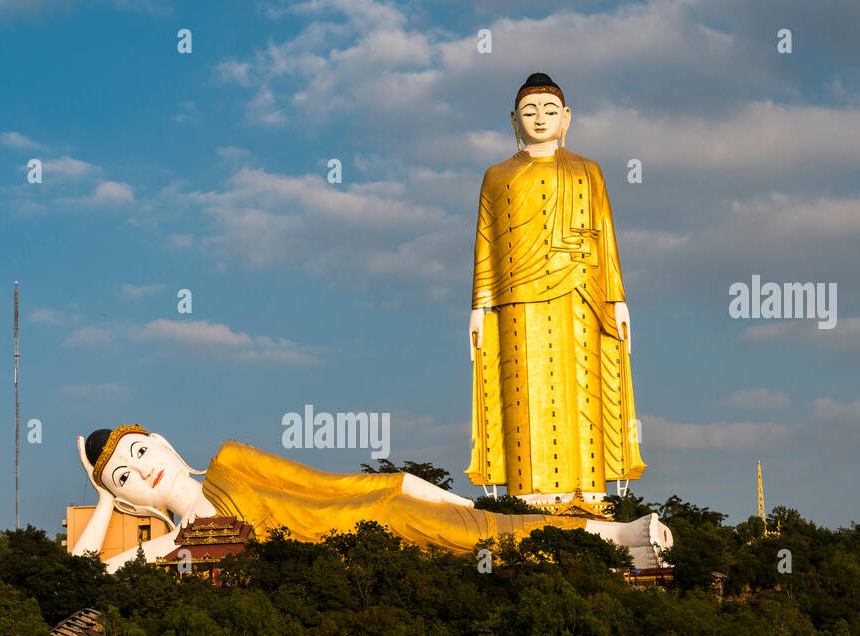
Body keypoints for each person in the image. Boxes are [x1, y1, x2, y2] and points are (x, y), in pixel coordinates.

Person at [69, 424, 670, 571]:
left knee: (483, 528)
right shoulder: (184, 543)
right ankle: (618, 551)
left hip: (375, 515)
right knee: (485, 554)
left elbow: (323, 485)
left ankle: (614, 539)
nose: (139, 472)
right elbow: (92, 571)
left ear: (164, 443)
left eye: (138, 453)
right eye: (122, 476)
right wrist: (101, 498)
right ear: (127, 501)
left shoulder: (231, 461)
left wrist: (420, 489)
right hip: (361, 563)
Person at [467, 72, 646, 508]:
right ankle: (527, 500)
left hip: (581, 290)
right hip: (516, 297)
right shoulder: (496, 176)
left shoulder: (588, 170)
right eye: (530, 112)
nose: (540, 118)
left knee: (582, 387)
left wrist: (618, 298)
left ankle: (589, 495)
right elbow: (486, 244)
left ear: (567, 118)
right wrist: (479, 306)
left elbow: (605, 234)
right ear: (514, 120)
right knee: (521, 391)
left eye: (549, 111)